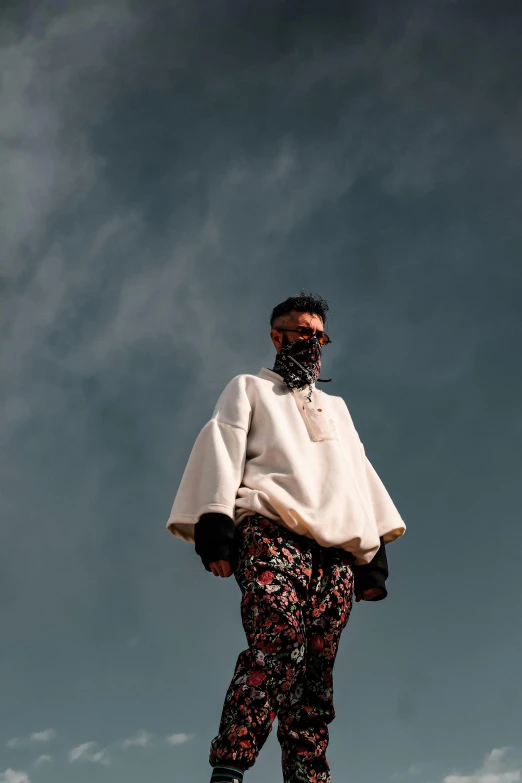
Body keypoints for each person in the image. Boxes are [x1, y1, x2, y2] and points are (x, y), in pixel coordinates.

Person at [166, 293, 406, 783]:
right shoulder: (250, 388)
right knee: (277, 636)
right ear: (278, 337)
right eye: (302, 333)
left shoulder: (336, 408)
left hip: (336, 549)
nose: (312, 343)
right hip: (270, 527)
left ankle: (307, 776)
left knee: (316, 668)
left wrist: (372, 557)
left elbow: (356, 471)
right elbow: (223, 440)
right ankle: (230, 766)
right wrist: (215, 526)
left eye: (319, 336)